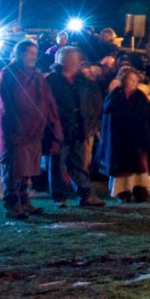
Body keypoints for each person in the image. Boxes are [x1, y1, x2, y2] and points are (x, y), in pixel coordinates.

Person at [0, 40, 63, 219]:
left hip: (34, 130)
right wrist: (14, 125)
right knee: (14, 168)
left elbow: (47, 100)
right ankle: (12, 204)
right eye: (29, 53)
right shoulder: (8, 74)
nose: (33, 56)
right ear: (19, 54)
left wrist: (52, 123)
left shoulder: (36, 75)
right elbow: (6, 104)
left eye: (35, 53)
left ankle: (25, 201)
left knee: (27, 168)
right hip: (16, 130)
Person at [44, 47, 105, 207]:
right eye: (74, 59)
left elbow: (92, 101)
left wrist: (91, 124)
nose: (78, 62)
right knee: (56, 164)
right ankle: (59, 197)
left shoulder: (82, 80)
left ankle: (85, 194)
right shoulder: (52, 80)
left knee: (78, 163)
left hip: (78, 129)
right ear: (64, 61)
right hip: (58, 129)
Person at [100, 67, 150, 202]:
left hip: (138, 140)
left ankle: (140, 190)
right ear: (123, 80)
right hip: (120, 140)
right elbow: (108, 118)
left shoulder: (140, 96)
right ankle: (123, 192)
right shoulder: (115, 96)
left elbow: (148, 118)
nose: (134, 82)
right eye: (131, 80)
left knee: (139, 166)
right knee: (123, 168)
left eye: (136, 80)